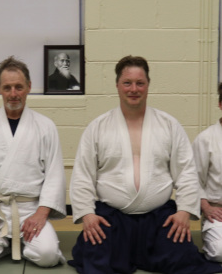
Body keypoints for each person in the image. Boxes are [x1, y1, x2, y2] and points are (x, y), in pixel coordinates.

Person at [68, 55, 222, 274]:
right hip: (111, 217)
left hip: (159, 218)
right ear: (117, 86)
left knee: (183, 257)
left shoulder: (168, 124)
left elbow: (187, 173)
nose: (134, 89)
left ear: (148, 85)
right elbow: (83, 175)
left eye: (140, 83)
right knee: (96, 260)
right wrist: (87, 214)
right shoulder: (98, 127)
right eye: (127, 83)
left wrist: (184, 211)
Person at [0, 56, 66, 267]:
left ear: (29, 87)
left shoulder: (45, 126)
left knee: (48, 256)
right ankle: (7, 244)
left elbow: (54, 175)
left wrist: (42, 214)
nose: (13, 94)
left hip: (31, 209)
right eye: (7, 87)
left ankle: (18, 243)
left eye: (18, 87)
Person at [192, 82, 222, 262]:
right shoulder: (206, 140)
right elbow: (193, 180)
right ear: (220, 104)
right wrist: (206, 208)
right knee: (219, 251)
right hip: (218, 214)